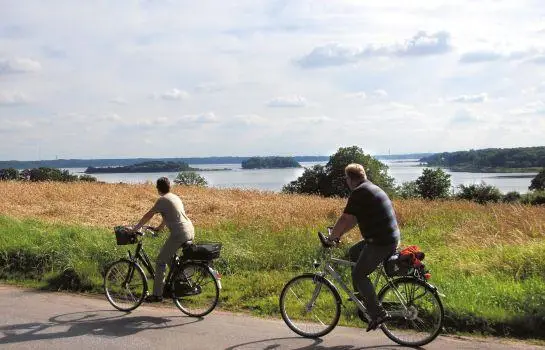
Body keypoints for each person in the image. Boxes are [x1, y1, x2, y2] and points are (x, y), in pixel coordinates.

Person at [327, 163, 400, 331]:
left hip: (381, 242)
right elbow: (353, 220)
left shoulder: (359, 193)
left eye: (346, 178)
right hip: (388, 238)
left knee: (359, 275)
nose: (346, 181)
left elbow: (345, 218)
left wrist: (331, 238)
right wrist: (338, 234)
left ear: (350, 179)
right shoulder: (371, 187)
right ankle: (364, 296)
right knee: (354, 252)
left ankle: (378, 313)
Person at [133, 177, 195, 302]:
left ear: (158, 188)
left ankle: (157, 294)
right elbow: (168, 215)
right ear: (169, 187)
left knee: (160, 260)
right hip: (190, 230)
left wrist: (136, 228)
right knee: (170, 259)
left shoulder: (162, 199)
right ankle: (181, 282)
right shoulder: (174, 197)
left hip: (179, 234)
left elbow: (149, 215)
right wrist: (159, 228)